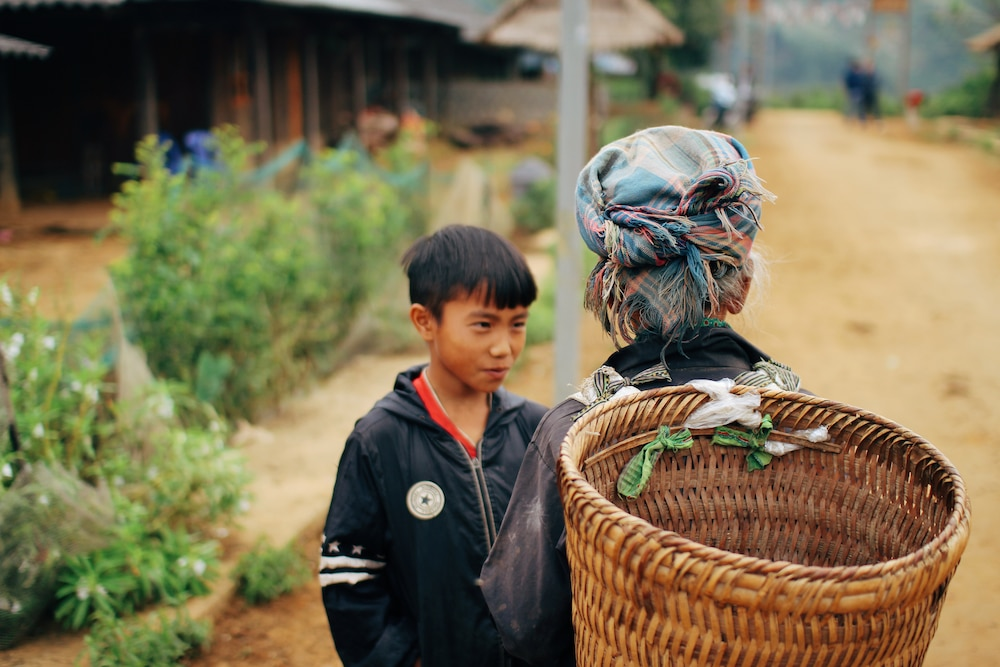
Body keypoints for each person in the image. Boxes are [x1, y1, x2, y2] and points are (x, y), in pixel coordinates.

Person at [479, 126, 802, 666]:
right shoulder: (807, 426)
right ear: (741, 289)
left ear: (614, 291)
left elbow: (527, 629)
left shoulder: (573, 439)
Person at [319, 223, 548, 667]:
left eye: (517, 324)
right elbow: (349, 575)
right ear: (425, 321)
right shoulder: (379, 441)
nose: (504, 347)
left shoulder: (536, 431)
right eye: (483, 325)